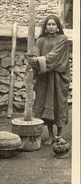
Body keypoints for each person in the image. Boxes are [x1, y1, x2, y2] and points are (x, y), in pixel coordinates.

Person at [28, 15, 70, 145]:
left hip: (58, 77)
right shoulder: (40, 40)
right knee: (46, 105)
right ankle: (51, 135)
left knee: (59, 105)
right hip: (44, 78)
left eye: (53, 24)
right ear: (45, 27)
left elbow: (55, 55)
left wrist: (39, 60)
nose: (51, 27)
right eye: (48, 24)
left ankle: (59, 135)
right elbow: (36, 52)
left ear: (58, 26)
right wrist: (33, 58)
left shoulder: (63, 39)